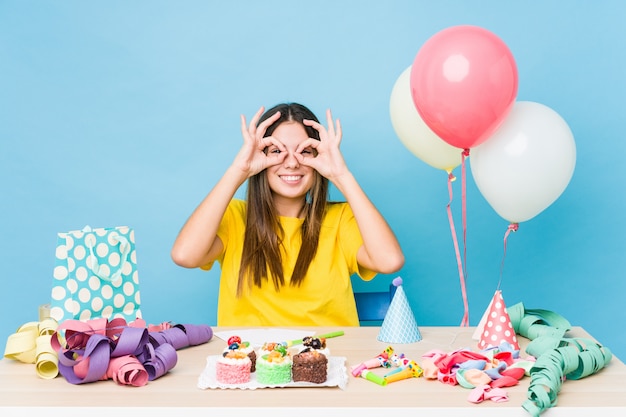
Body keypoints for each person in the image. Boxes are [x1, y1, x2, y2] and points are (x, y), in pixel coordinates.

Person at [171, 102, 404, 326]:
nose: (292, 163)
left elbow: (389, 261)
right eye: (276, 151)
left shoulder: (341, 219)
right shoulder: (234, 217)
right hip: (253, 362)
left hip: (329, 359)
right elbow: (185, 256)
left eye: (305, 151)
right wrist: (238, 170)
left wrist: (341, 175)